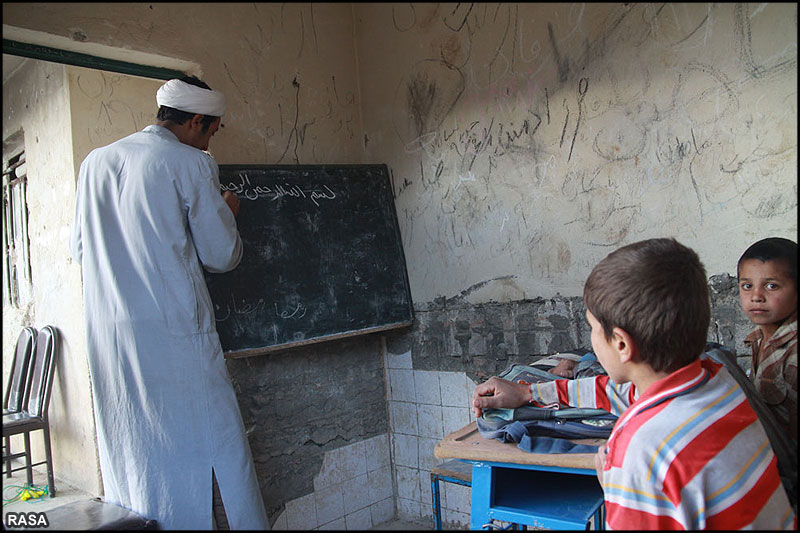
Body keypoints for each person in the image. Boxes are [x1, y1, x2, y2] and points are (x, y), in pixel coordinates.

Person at [472, 238, 796, 530]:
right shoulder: (717, 376)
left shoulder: (640, 452)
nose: (592, 338)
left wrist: (615, 483)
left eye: (593, 328)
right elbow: (622, 392)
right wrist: (529, 391)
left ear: (622, 345)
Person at [70, 76, 269, 530]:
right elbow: (221, 255)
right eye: (212, 132)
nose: (209, 143)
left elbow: (81, 250)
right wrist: (229, 213)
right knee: (216, 445)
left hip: (113, 338)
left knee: (138, 453)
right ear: (197, 120)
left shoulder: (95, 163)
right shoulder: (188, 163)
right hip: (176, 332)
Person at [737, 237, 797, 445]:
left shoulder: (795, 352)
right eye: (747, 286)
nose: (756, 296)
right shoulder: (758, 337)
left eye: (772, 286)